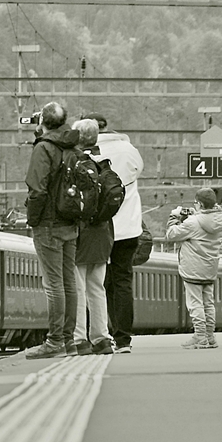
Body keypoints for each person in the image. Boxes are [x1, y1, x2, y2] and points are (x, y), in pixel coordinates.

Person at [23, 102, 80, 359]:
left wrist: (33, 220)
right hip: (70, 222)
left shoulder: (44, 148)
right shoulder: (73, 146)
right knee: (69, 283)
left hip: (48, 223)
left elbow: (37, 188)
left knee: (54, 284)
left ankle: (54, 340)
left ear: (42, 122)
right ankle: (69, 340)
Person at [89, 112, 144, 354]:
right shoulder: (129, 149)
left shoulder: (88, 152)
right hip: (129, 226)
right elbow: (137, 171)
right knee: (123, 280)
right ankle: (123, 339)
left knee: (96, 282)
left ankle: (100, 334)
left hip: (100, 226)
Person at [70, 118, 115, 355]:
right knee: (97, 288)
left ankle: (79, 339)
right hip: (103, 232)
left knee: (78, 289)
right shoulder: (104, 162)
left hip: (80, 232)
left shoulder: (75, 162)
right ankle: (102, 339)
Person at [163, 188, 222, 348]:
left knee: (195, 303)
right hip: (210, 267)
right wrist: (195, 213)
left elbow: (171, 234)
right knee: (208, 303)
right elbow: (204, 219)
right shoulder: (219, 219)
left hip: (193, 268)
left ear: (199, 204)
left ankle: (199, 336)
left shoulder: (193, 222)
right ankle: (210, 337)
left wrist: (174, 216)